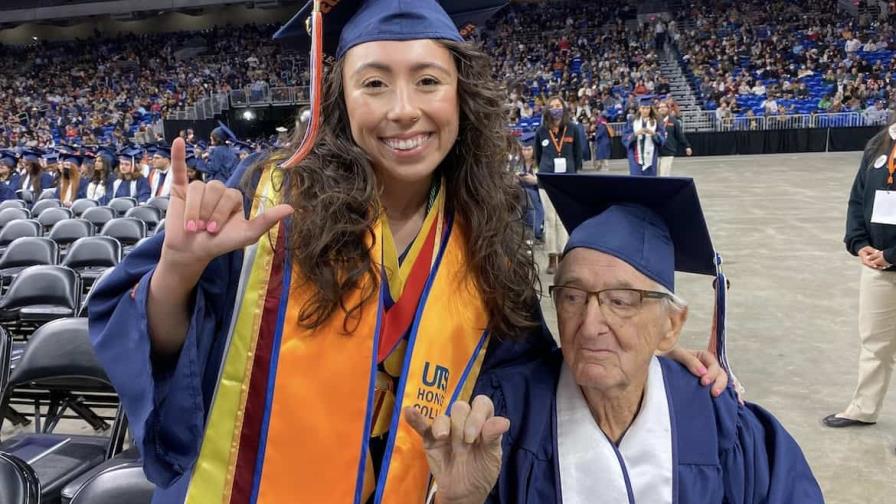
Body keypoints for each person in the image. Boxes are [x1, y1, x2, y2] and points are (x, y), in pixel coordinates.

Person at [88, 2, 724, 503]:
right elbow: (165, 351)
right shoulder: (265, 196)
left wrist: (643, 350)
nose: (403, 111)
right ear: (338, 98)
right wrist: (180, 267)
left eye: (427, 81)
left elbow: (525, 374)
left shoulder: (485, 234)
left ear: (460, 95)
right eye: (373, 84)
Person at [407, 174, 825, 504]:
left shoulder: (719, 423)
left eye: (621, 301)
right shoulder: (505, 416)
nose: (590, 324)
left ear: (671, 326)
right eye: (572, 297)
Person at [824, 121, 896, 429]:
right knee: (874, 340)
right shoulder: (879, 143)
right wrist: (859, 242)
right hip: (877, 265)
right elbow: (857, 197)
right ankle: (864, 408)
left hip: (888, 258)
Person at [534, 95, 582, 274]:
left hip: (567, 180)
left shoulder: (573, 129)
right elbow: (538, 155)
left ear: (563, 107)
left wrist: (572, 173)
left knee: (562, 218)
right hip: (547, 179)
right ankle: (552, 257)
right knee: (549, 219)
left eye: (558, 105)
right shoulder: (541, 131)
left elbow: (578, 154)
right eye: (552, 106)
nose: (555, 108)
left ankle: (564, 255)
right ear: (547, 110)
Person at [623, 96, 666, 176]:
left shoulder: (657, 121)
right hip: (635, 156)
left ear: (650, 109)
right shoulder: (632, 121)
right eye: (643, 108)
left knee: (650, 181)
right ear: (639, 109)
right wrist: (635, 134)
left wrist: (653, 134)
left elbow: (662, 138)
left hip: (651, 155)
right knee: (636, 180)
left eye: (647, 108)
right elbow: (625, 137)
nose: (645, 111)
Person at [514, 132, 543, 242]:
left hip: (537, 195)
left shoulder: (540, 163)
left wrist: (535, 181)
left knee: (530, 194)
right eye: (524, 149)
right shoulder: (517, 163)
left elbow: (545, 182)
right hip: (520, 195)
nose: (526, 152)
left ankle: (536, 229)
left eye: (529, 149)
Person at [657, 100, 693, 176]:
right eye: (660, 107)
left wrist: (687, 146)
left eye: (664, 107)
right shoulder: (654, 121)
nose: (662, 109)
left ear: (668, 108)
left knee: (664, 175)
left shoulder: (674, 121)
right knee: (654, 175)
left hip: (668, 151)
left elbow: (680, 135)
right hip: (655, 151)